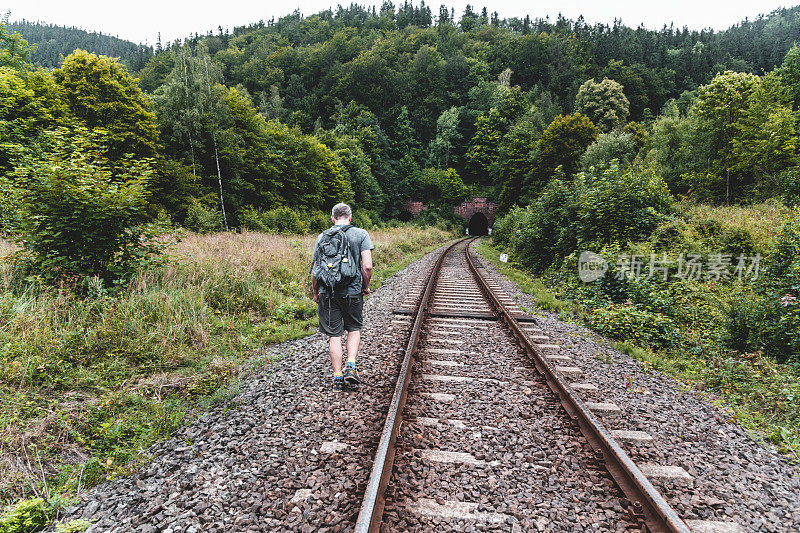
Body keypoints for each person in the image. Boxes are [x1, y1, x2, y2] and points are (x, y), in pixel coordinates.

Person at [311, 203, 374, 391]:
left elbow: (316, 270)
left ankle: (337, 376)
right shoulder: (360, 234)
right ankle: (351, 366)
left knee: (334, 334)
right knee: (354, 328)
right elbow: (368, 266)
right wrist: (366, 286)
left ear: (332, 218)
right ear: (350, 216)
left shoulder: (322, 236)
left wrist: (315, 292)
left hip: (328, 293)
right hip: (352, 291)